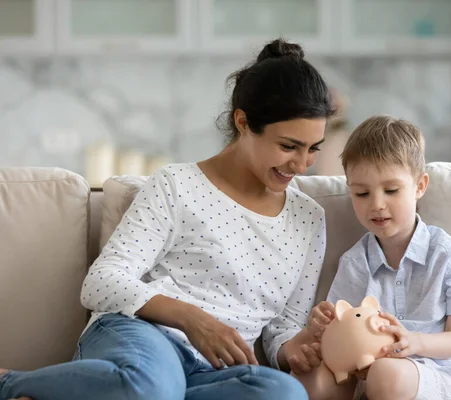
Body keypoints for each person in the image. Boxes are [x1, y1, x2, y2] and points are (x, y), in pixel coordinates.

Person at [0, 38, 336, 400]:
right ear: (243, 122)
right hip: (142, 337)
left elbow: (281, 331)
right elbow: (100, 283)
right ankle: (8, 383)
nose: (301, 165)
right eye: (288, 146)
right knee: (152, 386)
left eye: (313, 148)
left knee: (284, 394)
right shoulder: (178, 184)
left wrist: (294, 349)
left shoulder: (309, 219)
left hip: (214, 372)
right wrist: (193, 320)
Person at [297, 115, 451, 400]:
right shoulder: (355, 261)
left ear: (419, 186)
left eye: (391, 190)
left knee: (386, 374)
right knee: (314, 381)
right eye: (362, 193)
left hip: (436, 369)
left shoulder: (446, 254)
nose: (377, 205)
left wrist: (414, 342)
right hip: (365, 369)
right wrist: (322, 327)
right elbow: (342, 330)